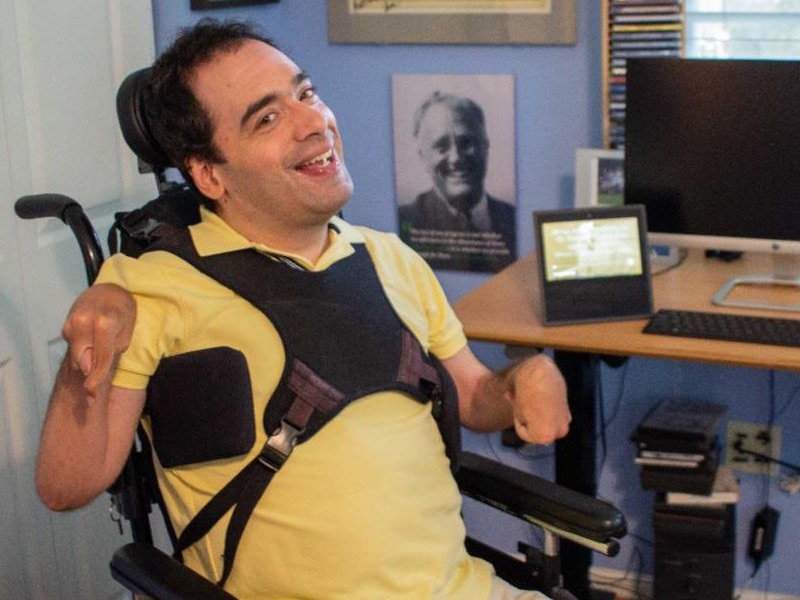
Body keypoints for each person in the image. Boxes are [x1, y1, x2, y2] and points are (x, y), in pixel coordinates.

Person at [35, 19, 570, 600]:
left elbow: (471, 395)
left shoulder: (390, 258)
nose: (315, 122)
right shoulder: (150, 289)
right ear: (209, 173)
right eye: (267, 118)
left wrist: (522, 379)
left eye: (306, 93)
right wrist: (80, 366)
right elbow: (65, 486)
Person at [398, 91, 516, 272]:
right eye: (441, 146)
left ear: (485, 146)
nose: (456, 158)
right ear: (423, 157)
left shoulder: (513, 219)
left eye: (466, 142)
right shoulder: (405, 223)